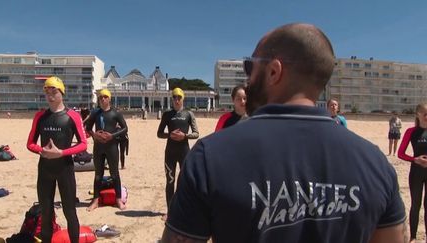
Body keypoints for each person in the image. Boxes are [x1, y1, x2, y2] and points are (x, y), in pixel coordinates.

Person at [161, 23, 406, 243]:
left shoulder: (210, 157)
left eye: (250, 66)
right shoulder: (375, 163)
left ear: (274, 71)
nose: (247, 78)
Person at [26, 76, 87, 243]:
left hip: (65, 169)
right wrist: (42, 150)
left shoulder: (72, 116)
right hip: (45, 169)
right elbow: (30, 143)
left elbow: (83, 144)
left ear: (62, 92)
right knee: (46, 212)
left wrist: (61, 152)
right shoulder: (40, 116)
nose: (50, 94)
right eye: (47, 90)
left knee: (70, 212)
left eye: (54, 90)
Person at [157, 87, 199, 217]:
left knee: (185, 182)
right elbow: (159, 134)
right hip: (170, 152)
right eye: (174, 97)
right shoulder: (167, 114)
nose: (176, 100)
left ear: (183, 99)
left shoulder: (189, 114)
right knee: (170, 181)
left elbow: (196, 133)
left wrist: (184, 136)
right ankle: (170, 211)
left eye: (179, 97)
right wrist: (170, 135)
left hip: (184, 152)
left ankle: (184, 210)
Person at [85, 89, 128, 211]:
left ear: (109, 99)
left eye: (105, 97)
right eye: (100, 97)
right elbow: (88, 128)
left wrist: (112, 136)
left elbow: (125, 128)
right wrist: (94, 135)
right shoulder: (95, 113)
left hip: (112, 147)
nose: (102, 99)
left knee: (115, 174)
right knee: (98, 175)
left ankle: (118, 200)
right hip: (99, 147)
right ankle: (95, 201)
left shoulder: (116, 113)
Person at [398, 103, 427, 243]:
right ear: (418, 114)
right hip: (416, 172)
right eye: (425, 113)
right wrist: (415, 159)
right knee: (416, 205)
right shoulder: (411, 131)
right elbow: (400, 153)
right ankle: (413, 237)